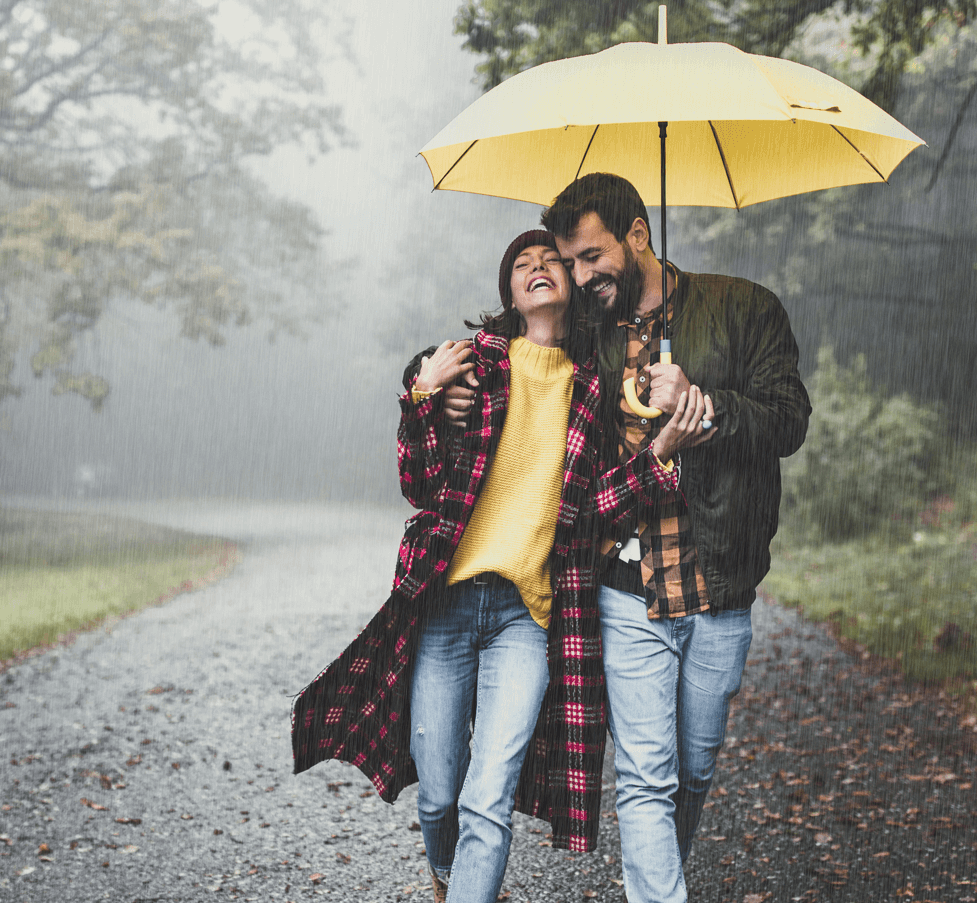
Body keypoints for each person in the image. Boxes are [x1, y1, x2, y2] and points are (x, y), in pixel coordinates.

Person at [291, 229, 716, 903]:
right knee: (438, 795)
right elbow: (421, 483)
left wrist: (662, 448)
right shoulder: (474, 366)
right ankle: (446, 875)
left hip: (525, 617)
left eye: (552, 260)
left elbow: (600, 505)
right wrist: (422, 395)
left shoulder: (593, 389)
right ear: (509, 292)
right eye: (524, 263)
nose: (540, 267)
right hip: (447, 604)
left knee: (486, 797)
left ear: (571, 287)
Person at [528, 172, 810, 903]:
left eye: (591, 256)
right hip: (626, 590)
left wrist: (704, 406)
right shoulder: (584, 337)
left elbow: (787, 420)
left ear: (638, 234)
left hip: (719, 585)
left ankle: (657, 879)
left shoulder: (744, 308)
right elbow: (509, 360)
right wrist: (424, 377)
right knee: (646, 779)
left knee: (693, 768)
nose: (581, 277)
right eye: (571, 263)